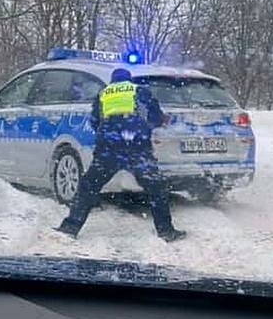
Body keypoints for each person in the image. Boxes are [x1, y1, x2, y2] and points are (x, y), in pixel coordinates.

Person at [56, 68, 186, 242]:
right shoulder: (139, 91)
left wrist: (110, 132)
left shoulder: (103, 94)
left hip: (108, 149)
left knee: (88, 186)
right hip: (137, 148)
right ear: (129, 80)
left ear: (113, 80)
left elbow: (95, 122)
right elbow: (155, 117)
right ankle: (166, 231)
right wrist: (147, 125)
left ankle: (70, 227)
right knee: (156, 188)